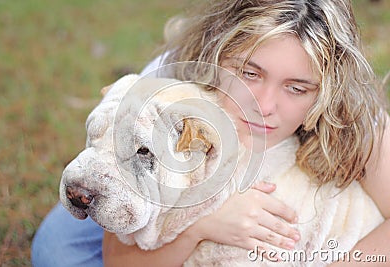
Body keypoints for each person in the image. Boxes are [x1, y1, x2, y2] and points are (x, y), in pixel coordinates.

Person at [32, 0, 390, 266]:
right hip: (139, 180)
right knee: (57, 252)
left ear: (327, 91)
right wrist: (203, 224)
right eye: (249, 74)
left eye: (296, 88)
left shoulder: (354, 117)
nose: (263, 105)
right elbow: (120, 261)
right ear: (217, 54)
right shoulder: (168, 92)